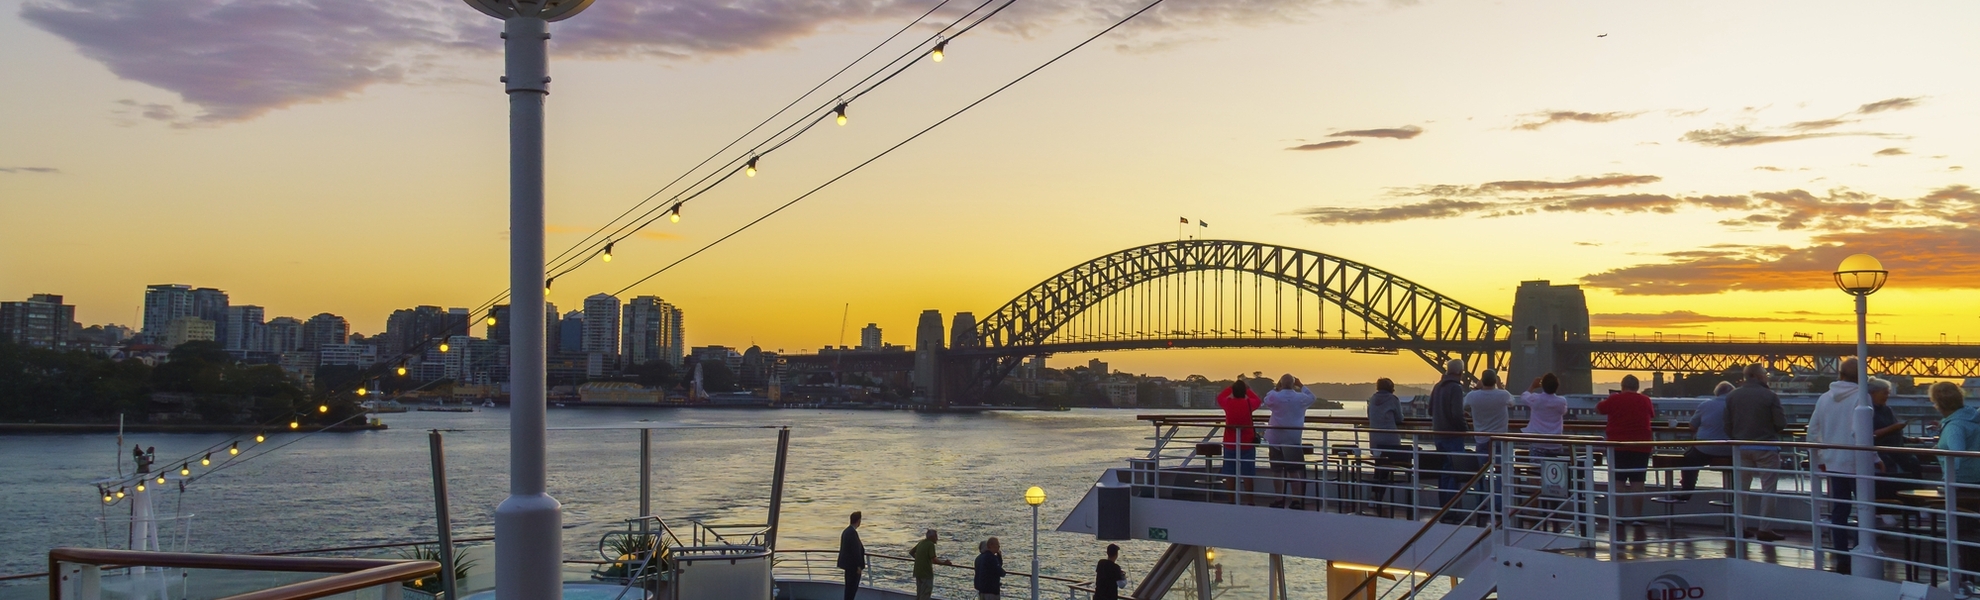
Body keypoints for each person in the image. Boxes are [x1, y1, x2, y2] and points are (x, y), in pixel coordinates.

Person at [1806, 361, 1883, 570]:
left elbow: (1813, 432)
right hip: (1857, 462)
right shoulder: (1862, 397)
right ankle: (1861, 548)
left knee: (1839, 510)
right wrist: (1876, 458)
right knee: (1865, 507)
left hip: (1833, 462)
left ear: (1839, 374)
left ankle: (1840, 552)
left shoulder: (1824, 398)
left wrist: (1821, 458)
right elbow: (1862, 433)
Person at [1724, 363, 1788, 543]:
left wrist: (1737, 437)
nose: (1767, 376)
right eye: (1765, 373)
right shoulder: (1770, 396)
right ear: (1758, 376)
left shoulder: (1732, 395)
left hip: (1741, 447)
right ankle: (1765, 529)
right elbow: (1781, 424)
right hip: (1766, 448)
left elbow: (1726, 424)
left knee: (1741, 490)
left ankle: (1740, 527)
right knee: (1768, 489)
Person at [1932, 382, 1980, 591]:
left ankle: (1961, 576)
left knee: (1960, 532)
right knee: (1971, 531)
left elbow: (1957, 455)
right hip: (1976, 485)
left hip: (1962, 487)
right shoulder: (1971, 418)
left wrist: (1950, 484)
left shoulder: (1955, 426)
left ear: (1938, 403)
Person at [1597, 374, 1654, 539]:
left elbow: (1599, 409)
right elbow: (1651, 415)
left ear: (1622, 386)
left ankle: (1618, 517)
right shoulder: (1645, 400)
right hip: (1641, 445)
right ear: (1637, 387)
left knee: (1618, 482)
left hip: (1618, 445)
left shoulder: (1615, 399)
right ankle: (1637, 517)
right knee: (1638, 483)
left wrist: (1612, 397)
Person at [1673, 382, 1736, 501]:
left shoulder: (1705, 405)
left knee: (1689, 460)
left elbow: (1692, 425)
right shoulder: (1737, 406)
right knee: (1736, 465)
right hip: (1730, 449)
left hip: (1705, 448)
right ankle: (1734, 495)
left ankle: (1686, 492)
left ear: (1716, 392)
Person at [1263, 374, 1316, 508]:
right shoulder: (1300, 398)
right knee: (1293, 471)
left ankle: (1279, 499)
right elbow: (1312, 398)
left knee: (1277, 470)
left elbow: (1266, 399)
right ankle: (1296, 500)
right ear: (1294, 384)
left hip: (1276, 438)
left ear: (1281, 383)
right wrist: (1302, 385)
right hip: (1293, 438)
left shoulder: (1275, 396)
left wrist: (1276, 388)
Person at [1427, 359, 1472, 515]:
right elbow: (1456, 414)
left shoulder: (1437, 386)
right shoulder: (1456, 388)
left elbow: (1430, 410)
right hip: (1453, 435)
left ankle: (1443, 507)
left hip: (1438, 435)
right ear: (1460, 372)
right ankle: (1452, 510)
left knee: (1444, 471)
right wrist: (1465, 430)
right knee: (1454, 472)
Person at [1870, 377, 1921, 497]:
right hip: (1884, 454)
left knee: (1913, 463)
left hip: (1896, 450)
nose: (1887, 396)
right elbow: (1871, 434)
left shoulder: (1887, 409)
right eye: (1885, 393)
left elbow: (1893, 431)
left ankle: (1914, 498)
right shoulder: (1870, 412)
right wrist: (1894, 428)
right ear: (1873, 393)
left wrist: (1908, 439)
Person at [1217, 380, 1264, 504]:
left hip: (1230, 442)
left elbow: (1220, 397)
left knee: (1230, 474)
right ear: (1244, 392)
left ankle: (1232, 500)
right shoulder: (1249, 403)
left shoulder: (1227, 403)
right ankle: (1250, 501)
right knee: (1248, 473)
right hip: (1247, 442)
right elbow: (1258, 400)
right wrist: (1248, 389)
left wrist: (1230, 388)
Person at [1521, 373, 1569, 457]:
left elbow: (1524, 396)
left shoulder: (1536, 399)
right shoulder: (1561, 401)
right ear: (1557, 386)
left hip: (1537, 444)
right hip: (1556, 444)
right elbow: (1564, 411)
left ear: (1542, 385)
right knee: (1555, 468)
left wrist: (1532, 386)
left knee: (1536, 469)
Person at [1367, 378, 1405, 459]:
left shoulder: (1372, 399)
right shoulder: (1393, 399)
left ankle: (1379, 471)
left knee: (1379, 463)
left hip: (1375, 440)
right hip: (1390, 440)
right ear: (1391, 388)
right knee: (1392, 462)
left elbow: (1369, 417)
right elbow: (1399, 418)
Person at [909, 529, 953, 600]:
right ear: (931, 537)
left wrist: (920, 559)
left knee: (919, 594)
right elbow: (934, 559)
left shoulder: (921, 542)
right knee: (925, 594)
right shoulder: (930, 544)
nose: (937, 538)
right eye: (936, 536)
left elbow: (911, 552)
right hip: (926, 574)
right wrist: (944, 563)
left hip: (918, 572)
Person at [837, 511, 866, 600]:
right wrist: (858, 566)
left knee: (848, 589)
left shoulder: (846, 531)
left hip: (848, 567)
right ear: (858, 521)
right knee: (851, 590)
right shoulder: (852, 533)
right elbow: (855, 551)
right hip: (853, 568)